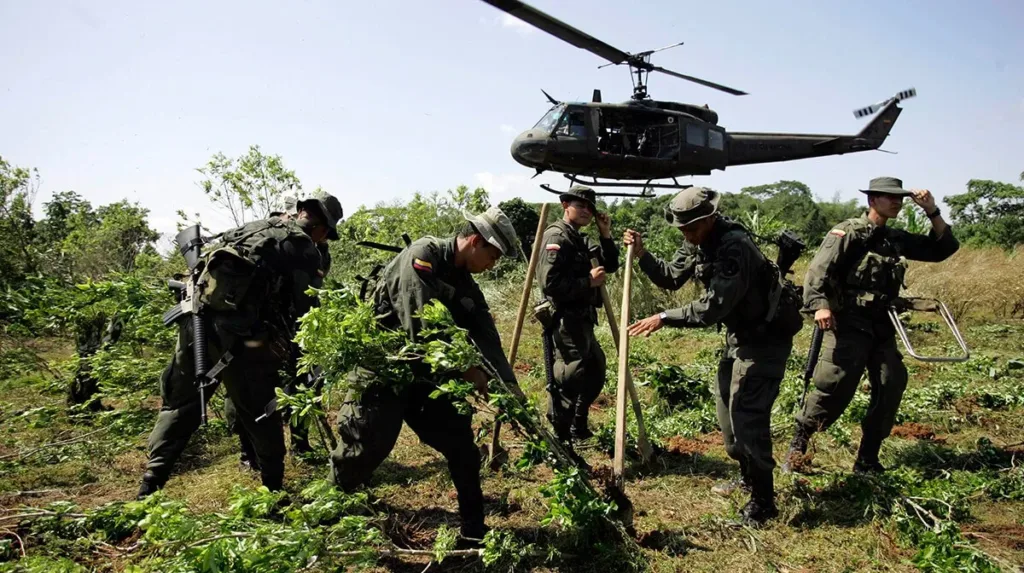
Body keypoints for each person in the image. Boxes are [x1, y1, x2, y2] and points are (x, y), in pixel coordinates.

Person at [328, 206, 526, 542]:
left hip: (427, 378)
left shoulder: (465, 281)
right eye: (492, 256)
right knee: (363, 450)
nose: (492, 265)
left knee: (462, 447)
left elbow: (484, 329)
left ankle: (474, 533)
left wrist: (508, 385)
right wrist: (468, 371)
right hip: (385, 369)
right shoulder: (423, 257)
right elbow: (418, 329)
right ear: (475, 241)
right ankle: (330, 514)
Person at [137, 193, 343, 497]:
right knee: (263, 416)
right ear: (323, 229)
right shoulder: (303, 249)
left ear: (300, 211)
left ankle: (148, 487)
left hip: (196, 324)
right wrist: (299, 356)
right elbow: (305, 314)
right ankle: (273, 493)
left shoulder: (251, 228)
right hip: (245, 340)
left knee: (179, 407)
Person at [623, 187, 800, 525]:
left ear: (710, 218)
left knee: (748, 420)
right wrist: (643, 253)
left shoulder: (735, 246)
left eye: (691, 228)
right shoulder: (697, 241)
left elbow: (712, 308)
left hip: (765, 342)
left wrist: (662, 317)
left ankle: (764, 503)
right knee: (730, 427)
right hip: (738, 338)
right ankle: (748, 478)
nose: (686, 235)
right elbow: (671, 278)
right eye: (682, 229)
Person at [782, 177, 959, 475]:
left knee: (892, 383)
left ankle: (867, 459)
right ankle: (796, 450)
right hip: (848, 322)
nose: (897, 202)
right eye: (889, 197)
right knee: (834, 386)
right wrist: (820, 306)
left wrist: (931, 210)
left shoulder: (895, 238)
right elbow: (818, 270)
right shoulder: (849, 231)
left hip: (882, 325)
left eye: (900, 198)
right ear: (872, 201)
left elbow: (943, 248)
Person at [228, 192, 339, 467]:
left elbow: (310, 295)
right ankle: (249, 453)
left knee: (307, 383)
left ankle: (300, 444)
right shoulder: (271, 239)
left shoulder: (318, 251)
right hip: (257, 330)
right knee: (250, 391)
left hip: (294, 328)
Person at [536, 185, 618, 442]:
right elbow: (550, 284)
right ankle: (562, 439)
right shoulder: (558, 237)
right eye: (580, 205)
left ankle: (577, 424)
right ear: (565, 206)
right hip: (565, 320)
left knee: (595, 369)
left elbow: (611, 266)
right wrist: (587, 283)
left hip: (582, 319)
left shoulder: (579, 237)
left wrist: (605, 234)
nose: (586, 211)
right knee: (570, 378)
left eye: (590, 207)